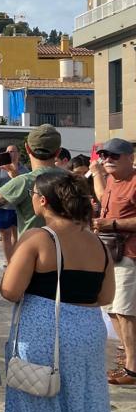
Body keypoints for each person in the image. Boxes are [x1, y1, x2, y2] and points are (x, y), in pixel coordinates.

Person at [0, 171, 119, 412]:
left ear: (43, 201)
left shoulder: (39, 238)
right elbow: (105, 296)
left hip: (44, 331)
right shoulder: (96, 242)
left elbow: (10, 290)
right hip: (87, 331)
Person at [89, 137, 136, 385]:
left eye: (114, 156)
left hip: (129, 254)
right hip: (111, 253)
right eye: (104, 155)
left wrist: (113, 224)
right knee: (114, 311)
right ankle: (130, 361)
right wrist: (97, 174)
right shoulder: (111, 181)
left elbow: (117, 217)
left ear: (131, 157)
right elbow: (104, 198)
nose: (108, 159)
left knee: (124, 311)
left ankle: (132, 369)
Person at [0, 125, 66, 250]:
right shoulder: (75, 180)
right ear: (58, 151)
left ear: (27, 149)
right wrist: (15, 176)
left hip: (34, 255)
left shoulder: (24, 182)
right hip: (69, 255)